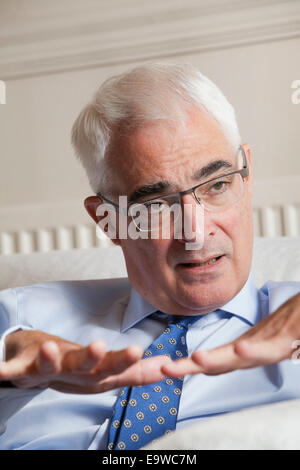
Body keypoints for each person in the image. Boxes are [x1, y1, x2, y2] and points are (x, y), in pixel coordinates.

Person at [0, 63, 299, 450]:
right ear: (107, 221)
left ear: (248, 177)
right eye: (157, 205)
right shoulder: (23, 320)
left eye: (218, 185)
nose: (195, 231)